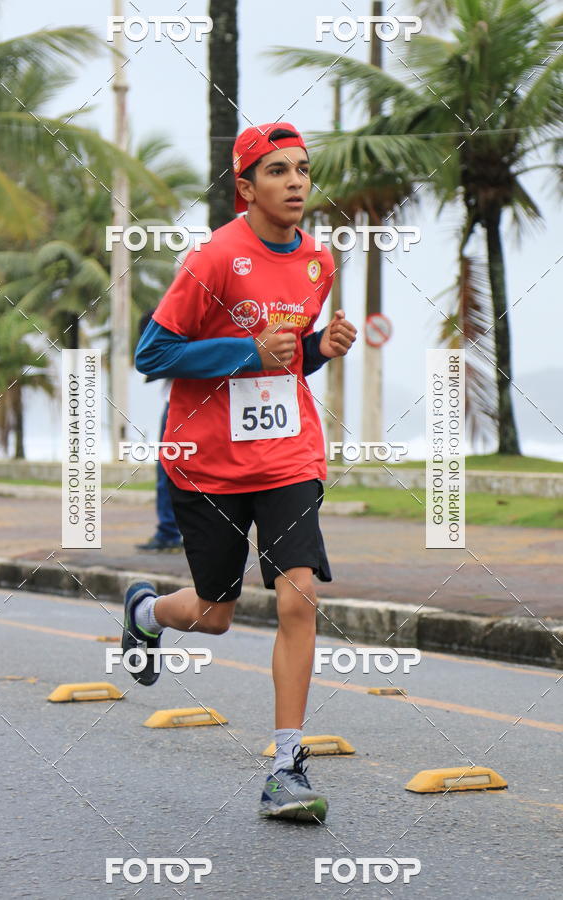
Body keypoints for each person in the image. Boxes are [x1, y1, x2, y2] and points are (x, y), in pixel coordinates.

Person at [124, 122, 357, 823]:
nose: (295, 182)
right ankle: (145, 612)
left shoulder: (319, 263)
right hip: (207, 462)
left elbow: (290, 359)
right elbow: (152, 355)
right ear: (245, 187)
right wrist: (246, 352)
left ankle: (286, 766)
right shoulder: (215, 258)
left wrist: (320, 346)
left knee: (298, 597)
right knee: (214, 614)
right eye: (278, 170)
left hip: (287, 456)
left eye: (304, 170)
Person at [135, 310, 183, 552]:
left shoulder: (176, 313)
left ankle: (169, 533)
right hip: (180, 399)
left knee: (167, 470)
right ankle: (170, 532)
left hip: (179, 403)